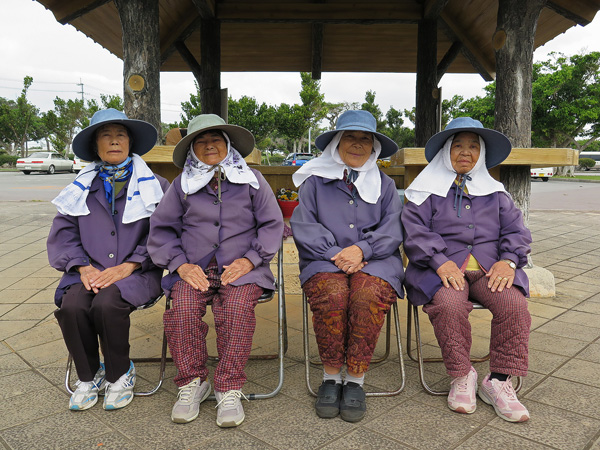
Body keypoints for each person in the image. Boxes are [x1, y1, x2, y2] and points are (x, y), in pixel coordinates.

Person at [148, 114, 283, 427]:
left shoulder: (253, 180)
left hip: (243, 267)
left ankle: (229, 386)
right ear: (193, 149)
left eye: (216, 139)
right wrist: (180, 264)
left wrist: (251, 259)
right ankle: (192, 382)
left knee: (236, 309)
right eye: (201, 141)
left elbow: (273, 224)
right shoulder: (182, 184)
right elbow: (161, 230)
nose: (210, 145)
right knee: (181, 308)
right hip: (193, 266)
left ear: (228, 145)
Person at [401, 117, 532, 423]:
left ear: (481, 154)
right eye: (458, 145)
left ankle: (498, 381)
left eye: (473, 146)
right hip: (441, 270)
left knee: (514, 304)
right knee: (448, 305)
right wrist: (438, 260)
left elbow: (517, 232)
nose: (465, 152)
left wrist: (509, 260)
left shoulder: (496, 193)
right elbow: (414, 231)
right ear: (446, 151)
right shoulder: (425, 191)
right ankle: (462, 375)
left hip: (490, 270)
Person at [47, 108, 169, 411]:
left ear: (130, 143)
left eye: (120, 135)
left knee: (106, 304)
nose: (114, 141)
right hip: (86, 271)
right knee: (73, 306)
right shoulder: (78, 189)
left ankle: (120, 373)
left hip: (138, 271)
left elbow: (164, 233)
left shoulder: (157, 186)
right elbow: (64, 234)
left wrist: (130, 265)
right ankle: (89, 376)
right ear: (95, 146)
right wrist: (82, 266)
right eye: (106, 135)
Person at [290, 110, 404, 422]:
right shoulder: (314, 183)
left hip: (377, 262)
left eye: (364, 139)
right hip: (324, 260)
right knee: (333, 294)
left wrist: (363, 249)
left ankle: (354, 380)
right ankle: (330, 377)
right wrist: (338, 254)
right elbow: (303, 224)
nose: (357, 144)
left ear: (374, 146)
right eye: (349, 137)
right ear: (337, 143)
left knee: (366, 295)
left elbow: (394, 228)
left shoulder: (386, 186)